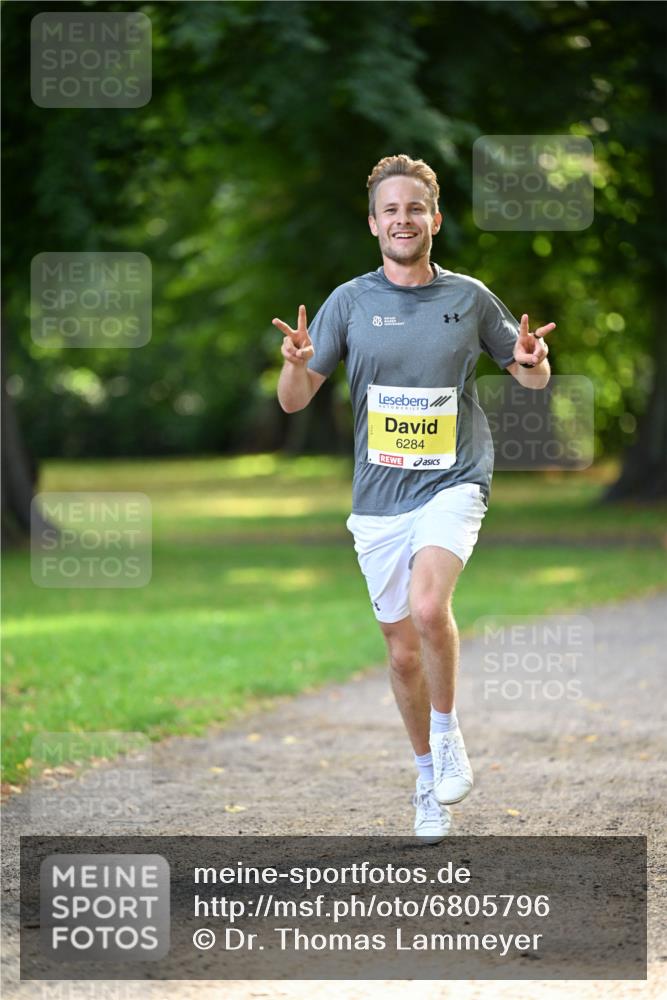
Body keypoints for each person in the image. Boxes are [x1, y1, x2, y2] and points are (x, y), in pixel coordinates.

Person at [273, 154, 555, 843]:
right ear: (374, 223)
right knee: (402, 652)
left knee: (430, 607)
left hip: (454, 478)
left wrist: (533, 361)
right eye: (391, 209)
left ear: (435, 218)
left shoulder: (469, 298)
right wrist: (294, 366)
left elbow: (527, 375)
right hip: (378, 498)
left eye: (415, 208)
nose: (404, 219)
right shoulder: (349, 303)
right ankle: (427, 778)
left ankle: (449, 735)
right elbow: (294, 401)